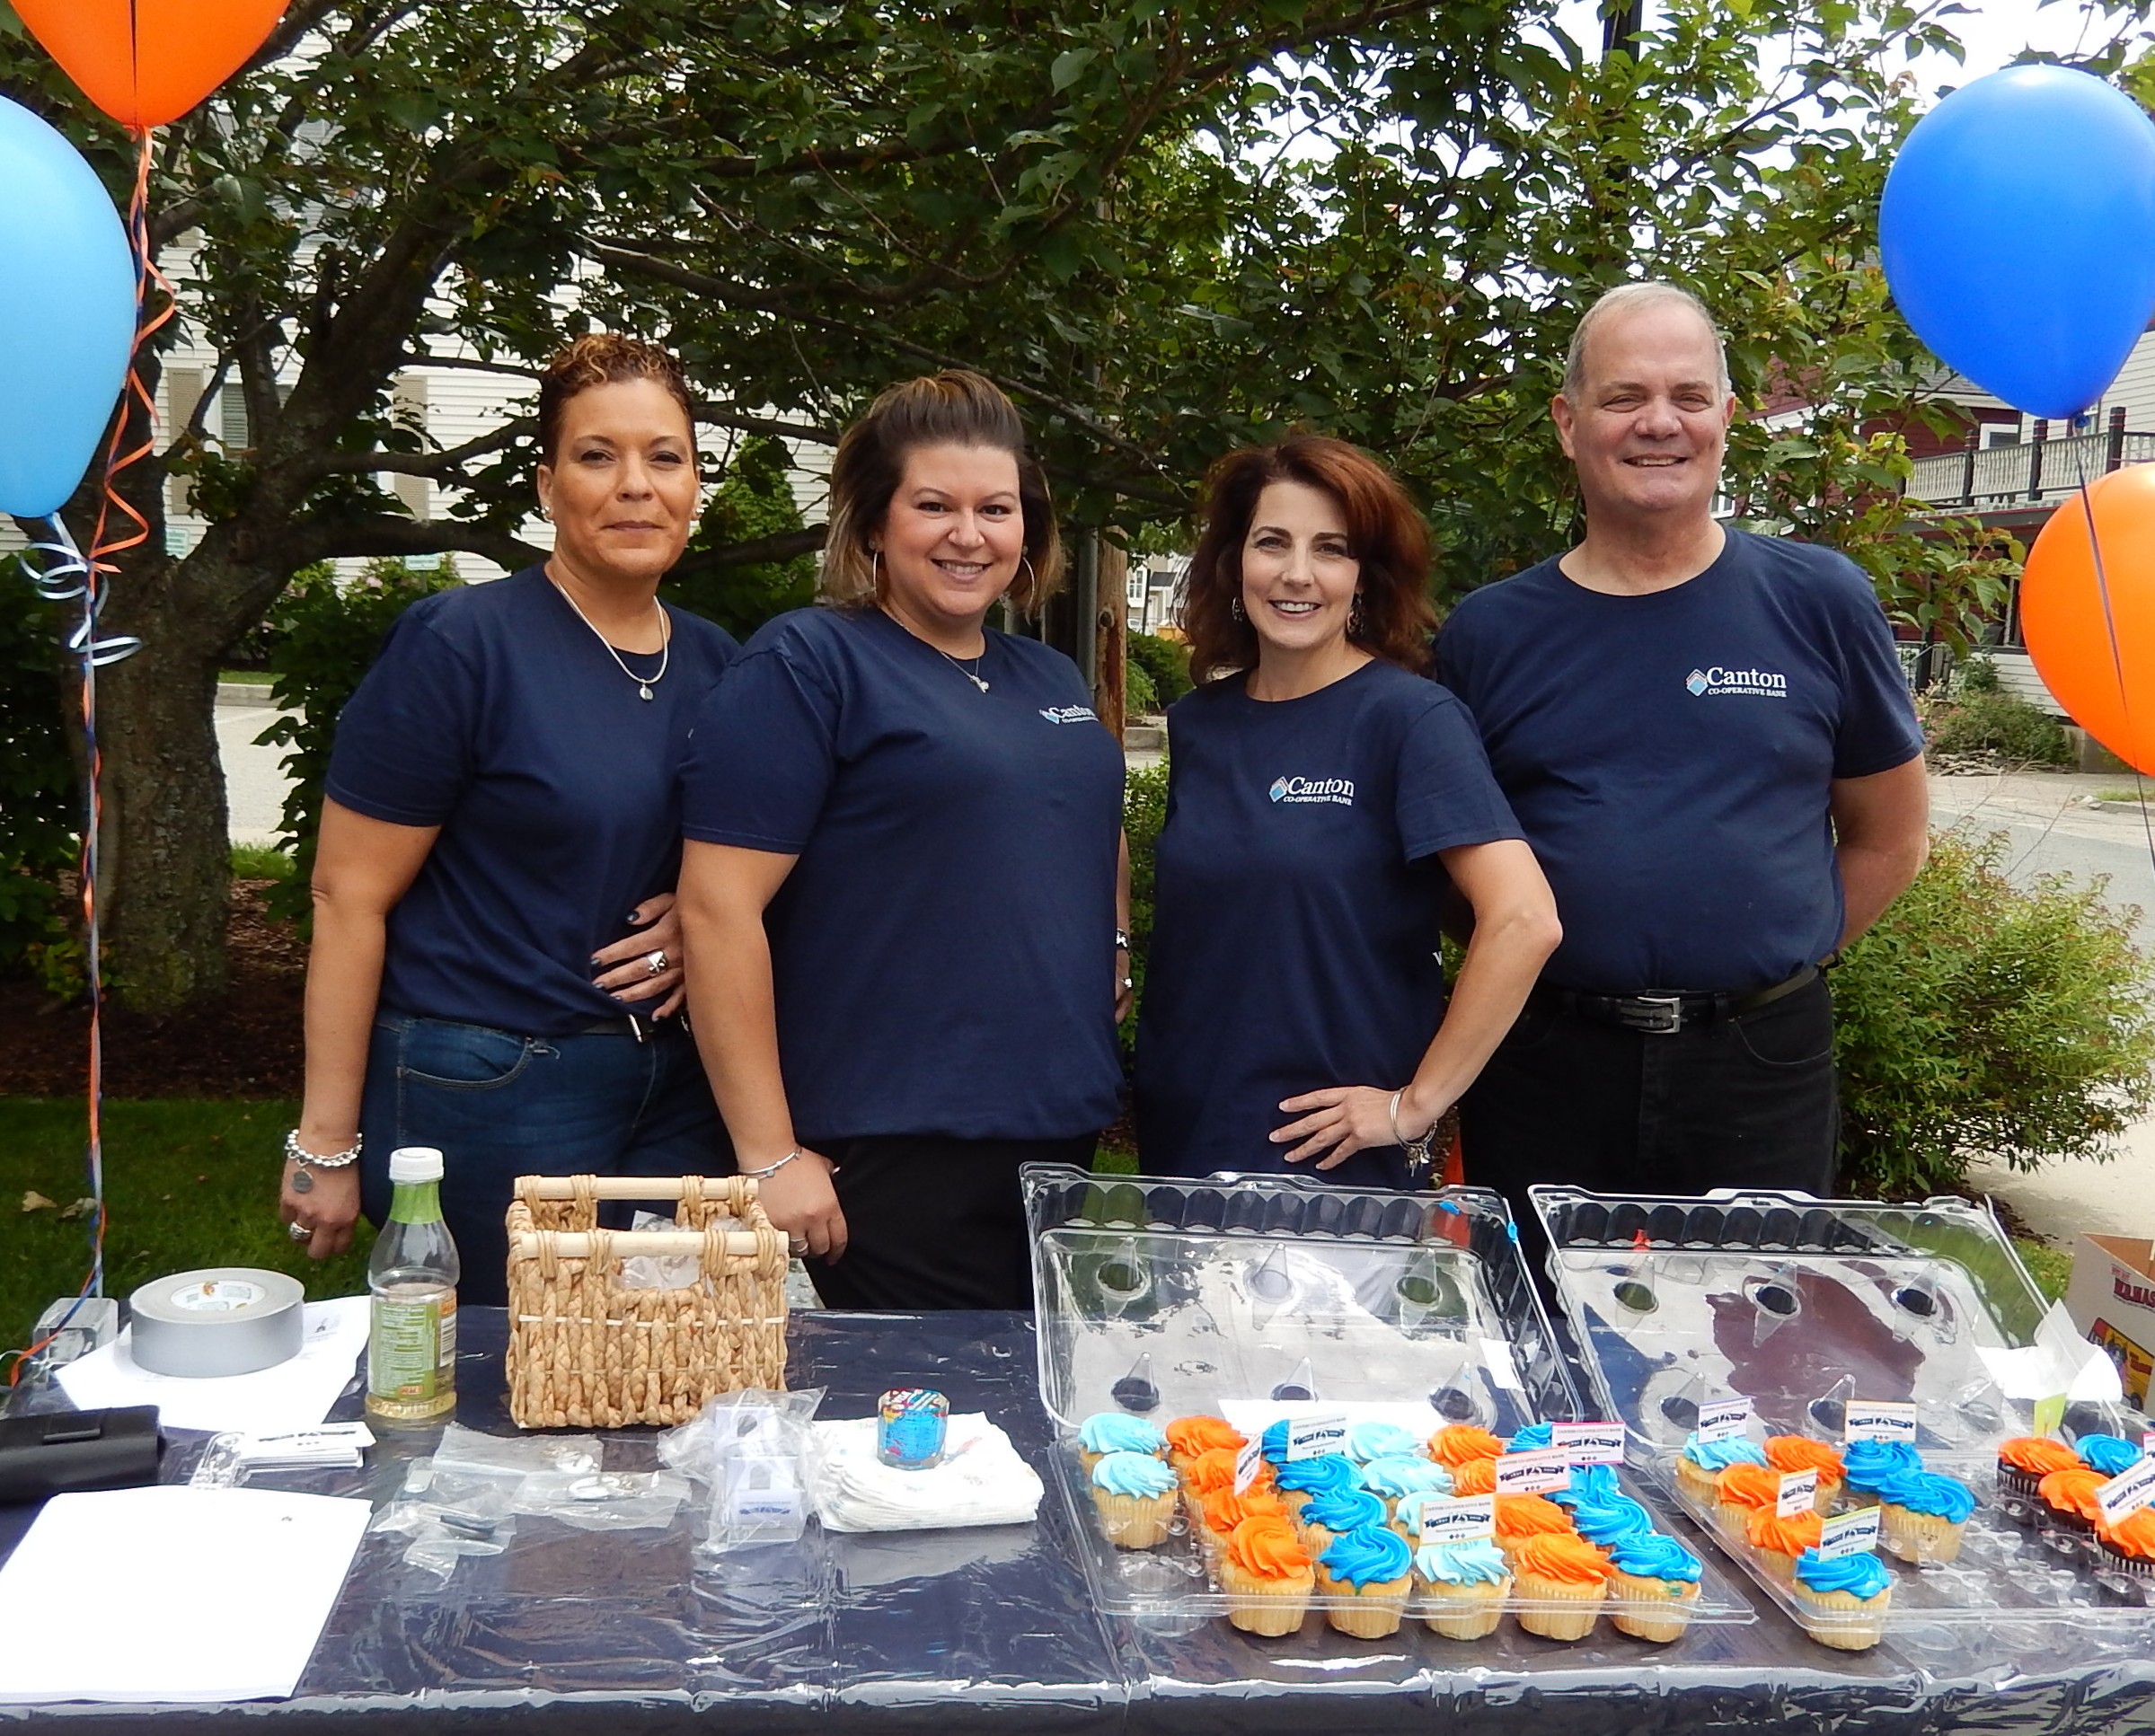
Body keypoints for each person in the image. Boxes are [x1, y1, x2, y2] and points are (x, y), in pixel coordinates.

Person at [1435, 281, 1930, 1243]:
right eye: (1623, 398)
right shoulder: (1488, 633)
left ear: (1726, 419)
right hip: (1543, 1057)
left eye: (1687, 397)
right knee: (1538, 1341)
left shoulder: (1819, 599)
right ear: (1567, 423)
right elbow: (1452, 873)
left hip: (1758, 1064)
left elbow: (1889, 837)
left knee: (1748, 1354)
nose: (1657, 423)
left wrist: (1770, 956)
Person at [278, 334, 740, 1305]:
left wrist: (701, 925)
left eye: (665, 456)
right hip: (494, 1082)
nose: (635, 486)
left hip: (677, 1087)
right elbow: (346, 893)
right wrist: (325, 1140)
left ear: (696, 483)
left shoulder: (716, 662)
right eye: (595, 455)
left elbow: (746, 861)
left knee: (650, 1366)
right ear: (545, 484)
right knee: (507, 1381)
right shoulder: (461, 646)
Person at [676, 370, 1126, 1310]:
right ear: (874, 522)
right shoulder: (809, 662)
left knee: (1020, 1412)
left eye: (995, 509)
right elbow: (718, 907)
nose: (968, 535)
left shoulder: (1044, 672)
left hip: (1050, 1128)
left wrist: (1111, 943)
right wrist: (769, 1154)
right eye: (934, 505)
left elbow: (1088, 815)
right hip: (890, 1141)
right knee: (914, 1432)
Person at [1134, 436, 1560, 1189]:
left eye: (1331, 549)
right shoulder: (1202, 723)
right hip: (1189, 1129)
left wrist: (1413, 1106)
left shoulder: (1409, 720)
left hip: (1330, 1151)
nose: (1297, 574)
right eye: (1272, 543)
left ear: (1363, 576)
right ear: (1236, 562)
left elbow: (1524, 920)